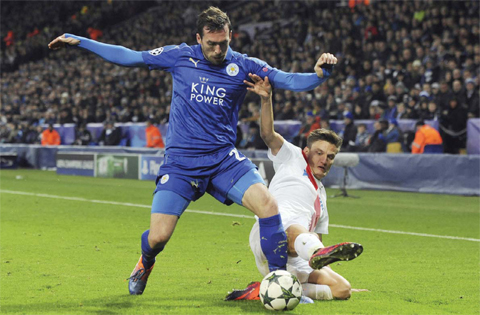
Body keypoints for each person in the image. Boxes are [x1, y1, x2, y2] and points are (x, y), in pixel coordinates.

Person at [48, 6, 338, 296]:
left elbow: (287, 79)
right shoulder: (180, 56)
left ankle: (279, 284)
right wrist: (82, 41)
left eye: (223, 43)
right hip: (181, 164)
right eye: (211, 43)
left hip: (224, 160)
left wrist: (318, 76)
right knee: (159, 237)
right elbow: (130, 57)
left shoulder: (244, 65)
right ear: (198, 38)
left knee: (269, 207)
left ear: (230, 36)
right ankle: (145, 261)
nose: (217, 49)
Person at [226, 74, 363, 302]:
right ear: (307, 152)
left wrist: (316, 252)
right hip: (271, 236)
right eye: (319, 153)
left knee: (342, 289)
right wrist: (266, 99)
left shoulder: (321, 197)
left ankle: (265, 289)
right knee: (294, 228)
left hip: (300, 257)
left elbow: (316, 235)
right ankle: (312, 255)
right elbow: (268, 134)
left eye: (330, 156)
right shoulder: (292, 157)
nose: (324, 160)